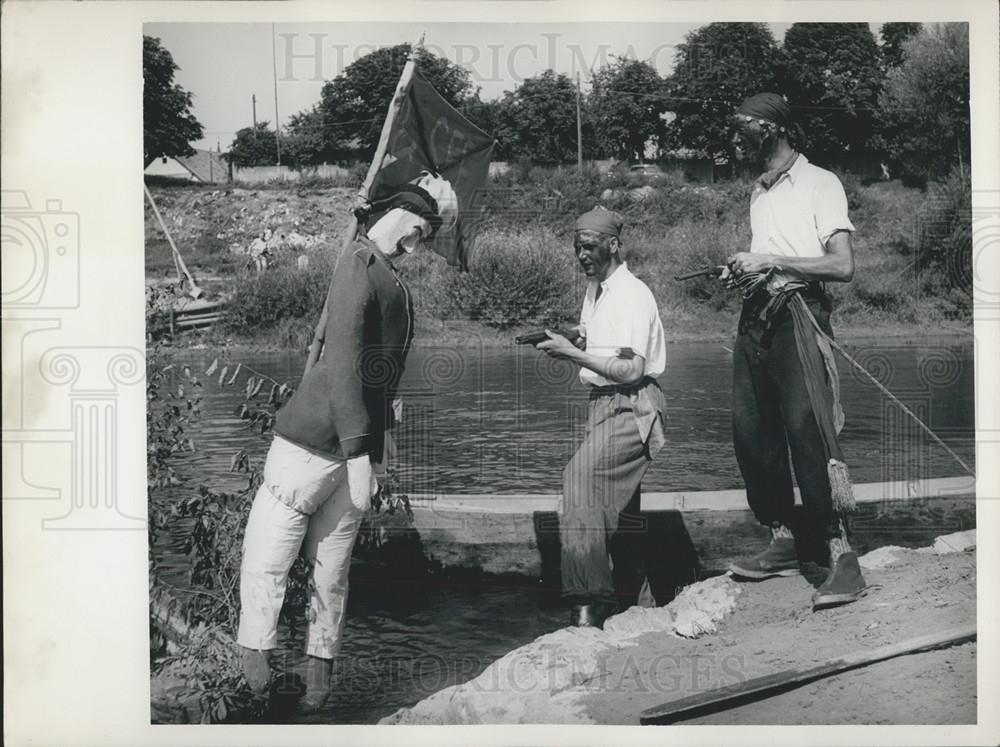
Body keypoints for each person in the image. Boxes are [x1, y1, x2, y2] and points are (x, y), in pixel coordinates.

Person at [236, 172, 458, 709]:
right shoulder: (366, 268)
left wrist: (374, 451)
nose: (418, 244)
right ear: (406, 224)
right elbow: (347, 368)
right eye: (422, 233)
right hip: (323, 447)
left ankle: (298, 693)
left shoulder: (368, 266)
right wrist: (366, 450)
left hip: (335, 449)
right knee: (286, 565)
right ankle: (274, 683)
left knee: (310, 571)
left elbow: (366, 374)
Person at [724, 92, 866, 609]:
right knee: (752, 431)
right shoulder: (758, 191)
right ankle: (783, 538)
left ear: (769, 128)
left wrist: (772, 261)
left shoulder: (819, 182)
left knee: (810, 432)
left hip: (800, 316)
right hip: (756, 318)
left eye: (741, 125)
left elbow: (842, 266)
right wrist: (746, 268)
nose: (734, 135)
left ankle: (842, 557)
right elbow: (767, 260)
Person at [537, 206, 667, 628]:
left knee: (578, 479)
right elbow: (601, 337)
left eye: (589, 247)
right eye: (577, 247)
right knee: (621, 514)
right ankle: (641, 606)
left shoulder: (632, 294)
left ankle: (587, 605)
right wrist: (576, 336)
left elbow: (630, 368)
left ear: (613, 245)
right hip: (603, 405)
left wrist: (571, 354)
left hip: (633, 405)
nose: (581, 256)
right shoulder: (597, 289)